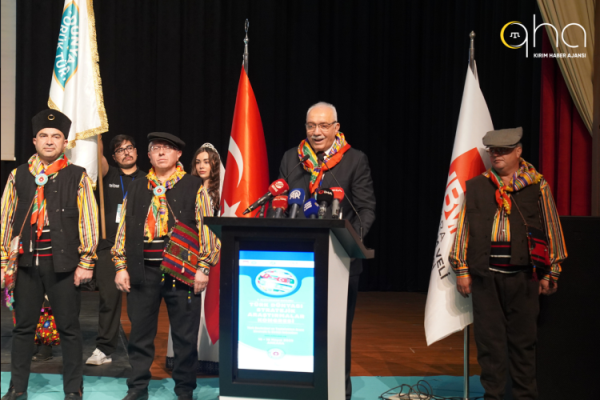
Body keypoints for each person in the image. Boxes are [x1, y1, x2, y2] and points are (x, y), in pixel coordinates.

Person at [448, 127, 567, 400]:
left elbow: (552, 228)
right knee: (489, 345)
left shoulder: (537, 185)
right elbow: (464, 228)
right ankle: (493, 396)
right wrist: (462, 269)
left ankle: (525, 396)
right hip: (486, 278)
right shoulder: (477, 186)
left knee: (523, 344)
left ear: (518, 151)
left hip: (525, 277)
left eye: (503, 150)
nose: (496, 155)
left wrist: (553, 271)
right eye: (492, 150)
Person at [277, 102, 376, 399]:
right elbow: (283, 202)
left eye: (323, 125)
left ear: (336, 128)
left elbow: (366, 209)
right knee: (297, 331)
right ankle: (298, 389)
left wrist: (350, 242)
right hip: (297, 261)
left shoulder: (354, 160)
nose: (316, 132)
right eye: (311, 125)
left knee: (336, 333)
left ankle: (337, 392)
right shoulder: (291, 159)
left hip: (340, 261)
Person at [112, 132, 220, 400]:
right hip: (142, 272)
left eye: (167, 148)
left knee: (185, 337)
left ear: (178, 154)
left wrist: (204, 267)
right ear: (148, 155)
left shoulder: (194, 185)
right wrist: (120, 266)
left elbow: (207, 228)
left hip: (182, 272)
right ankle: (137, 388)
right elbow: (124, 228)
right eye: (156, 148)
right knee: (140, 335)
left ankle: (184, 390)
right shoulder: (137, 186)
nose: (161, 153)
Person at [1, 109, 99, 400]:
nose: (49, 141)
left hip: (64, 266)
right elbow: (5, 219)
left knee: (69, 328)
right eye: (43, 135)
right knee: (23, 329)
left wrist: (87, 261)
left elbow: (89, 221)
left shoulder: (77, 176)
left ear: (64, 143)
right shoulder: (18, 175)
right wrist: (4, 261)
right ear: (34, 140)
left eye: (56, 136)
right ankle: (17, 387)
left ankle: (73, 388)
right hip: (26, 265)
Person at [85, 135, 146, 366]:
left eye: (130, 148)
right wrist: (96, 131)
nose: (126, 152)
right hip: (109, 248)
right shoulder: (107, 175)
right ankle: (104, 348)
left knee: (141, 302)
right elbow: (96, 155)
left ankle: (141, 348)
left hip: (140, 248)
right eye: (120, 150)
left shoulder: (148, 179)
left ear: (137, 151)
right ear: (113, 156)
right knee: (108, 300)